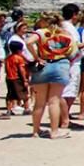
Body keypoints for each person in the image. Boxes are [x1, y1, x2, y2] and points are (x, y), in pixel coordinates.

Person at [26, 11, 76, 139]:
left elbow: (28, 42)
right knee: (54, 101)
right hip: (60, 65)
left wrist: (36, 57)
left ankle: (35, 131)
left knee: (40, 102)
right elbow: (73, 50)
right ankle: (54, 131)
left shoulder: (42, 32)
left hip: (44, 64)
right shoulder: (66, 34)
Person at [59, 4, 83, 128]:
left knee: (67, 91)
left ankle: (63, 117)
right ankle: (64, 119)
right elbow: (73, 46)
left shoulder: (62, 26)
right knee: (69, 92)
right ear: (74, 14)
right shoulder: (69, 28)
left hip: (66, 61)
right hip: (72, 62)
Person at [4, 41, 29, 116]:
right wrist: (25, 80)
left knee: (10, 95)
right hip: (17, 78)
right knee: (24, 93)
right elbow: (21, 70)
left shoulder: (8, 58)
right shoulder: (19, 58)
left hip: (9, 78)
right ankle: (26, 108)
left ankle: (8, 110)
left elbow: (6, 68)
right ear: (19, 50)